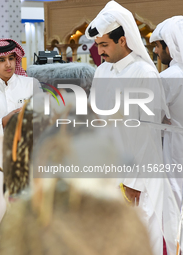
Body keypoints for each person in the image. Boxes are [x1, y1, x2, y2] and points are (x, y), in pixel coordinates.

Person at [85, 2, 170, 255]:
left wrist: (134, 183)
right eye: (97, 45)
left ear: (122, 40)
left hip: (139, 177)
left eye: (104, 45)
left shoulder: (144, 72)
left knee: (140, 238)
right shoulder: (102, 72)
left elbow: (146, 133)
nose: (99, 52)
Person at [0, 38, 38, 229]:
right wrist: (2, 123)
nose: (8, 64)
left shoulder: (31, 85)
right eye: (2, 59)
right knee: (0, 216)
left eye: (11, 58)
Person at [150, 16, 183, 255]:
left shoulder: (168, 79)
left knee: (174, 211)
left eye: (158, 46)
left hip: (175, 153)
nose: (155, 50)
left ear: (170, 46)